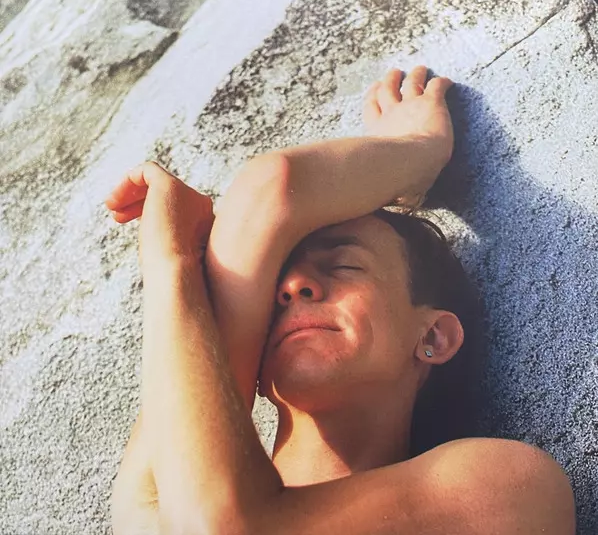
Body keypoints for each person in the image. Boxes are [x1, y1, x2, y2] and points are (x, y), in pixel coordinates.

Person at [107, 66, 576, 534]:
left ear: (433, 336)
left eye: (342, 266)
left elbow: (272, 187)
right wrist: (181, 269)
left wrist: (174, 265)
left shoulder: (503, 491)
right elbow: (267, 197)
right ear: (254, 369)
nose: (293, 286)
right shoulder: (151, 501)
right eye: (274, 288)